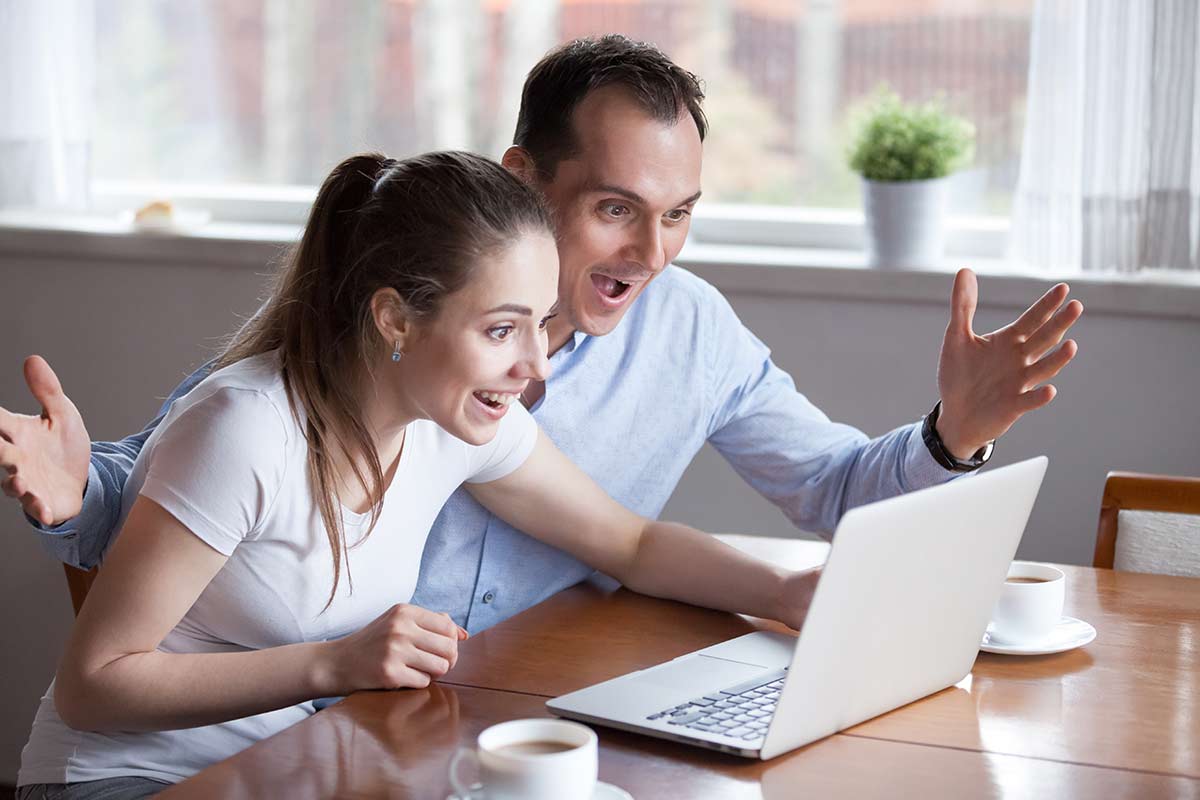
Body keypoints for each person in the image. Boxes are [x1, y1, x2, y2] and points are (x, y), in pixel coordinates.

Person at [1, 36, 1081, 631]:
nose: (651, 253)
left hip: (539, 697)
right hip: (335, 713)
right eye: (615, 207)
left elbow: (829, 493)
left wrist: (951, 437)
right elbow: (161, 488)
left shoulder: (690, 331)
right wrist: (76, 493)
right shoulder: (401, 309)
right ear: (524, 177)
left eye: (680, 213)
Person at [15, 150, 820, 797]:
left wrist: (786, 596)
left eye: (539, 325)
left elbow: (632, 544)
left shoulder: (451, 424)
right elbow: (95, 684)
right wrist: (334, 665)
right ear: (396, 316)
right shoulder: (245, 429)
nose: (533, 366)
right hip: (129, 777)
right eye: (503, 329)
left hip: (286, 770)